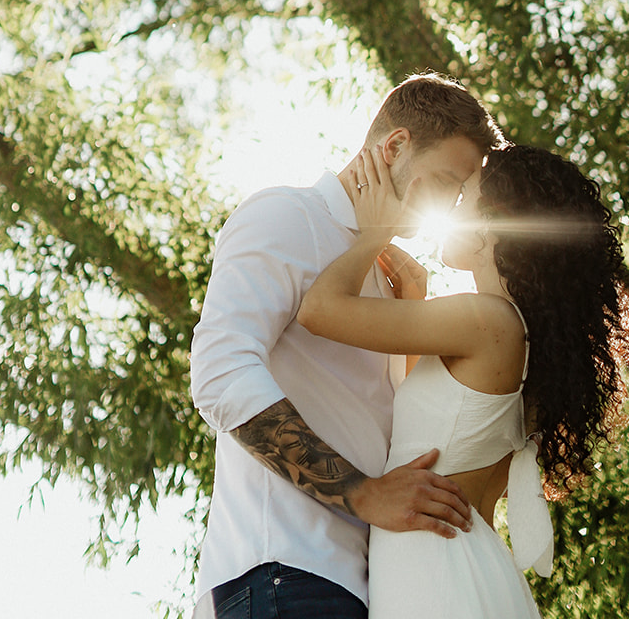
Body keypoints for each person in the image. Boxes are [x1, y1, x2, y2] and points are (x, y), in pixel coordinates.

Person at [189, 73, 503, 619]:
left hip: (357, 587)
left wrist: (411, 302)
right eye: (442, 183)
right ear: (396, 145)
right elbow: (219, 372)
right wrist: (361, 493)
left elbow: (385, 424)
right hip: (283, 572)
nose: (447, 209)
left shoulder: (386, 275)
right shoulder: (286, 216)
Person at [298, 140, 629, 619]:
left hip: (434, 572)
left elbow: (317, 310)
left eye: (463, 199)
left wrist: (374, 235)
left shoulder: (489, 320)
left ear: (491, 223)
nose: (450, 209)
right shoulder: (516, 338)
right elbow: (441, 425)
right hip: (454, 564)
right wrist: (414, 299)